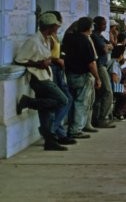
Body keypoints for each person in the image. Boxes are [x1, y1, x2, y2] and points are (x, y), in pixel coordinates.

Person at [14, 13, 70, 151]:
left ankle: (49, 141)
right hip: (39, 78)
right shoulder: (33, 41)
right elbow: (19, 59)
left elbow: (46, 56)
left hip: (46, 76)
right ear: (49, 27)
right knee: (63, 100)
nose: (57, 28)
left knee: (47, 111)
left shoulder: (46, 39)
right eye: (55, 26)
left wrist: (50, 60)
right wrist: (39, 64)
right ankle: (29, 102)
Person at [40, 11, 76, 146]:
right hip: (53, 69)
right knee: (63, 100)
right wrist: (57, 60)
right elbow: (46, 54)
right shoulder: (48, 37)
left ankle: (58, 132)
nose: (58, 26)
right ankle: (52, 130)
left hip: (59, 70)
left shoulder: (54, 36)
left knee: (65, 99)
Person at [63, 16, 101, 138]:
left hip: (69, 74)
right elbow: (91, 63)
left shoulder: (69, 38)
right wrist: (98, 78)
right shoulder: (85, 41)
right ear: (89, 27)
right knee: (81, 103)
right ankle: (75, 129)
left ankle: (71, 127)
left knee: (72, 102)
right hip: (82, 75)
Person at [90, 16, 115, 129]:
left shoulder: (100, 36)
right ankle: (102, 117)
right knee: (108, 92)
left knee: (100, 94)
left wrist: (107, 46)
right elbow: (105, 49)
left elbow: (111, 45)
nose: (105, 26)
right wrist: (107, 47)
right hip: (99, 66)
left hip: (103, 64)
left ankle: (96, 117)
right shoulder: (95, 36)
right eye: (103, 24)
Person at [109, 45, 126, 120]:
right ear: (120, 55)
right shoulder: (114, 63)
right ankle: (119, 112)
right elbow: (115, 78)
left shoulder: (116, 62)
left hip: (116, 85)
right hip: (113, 86)